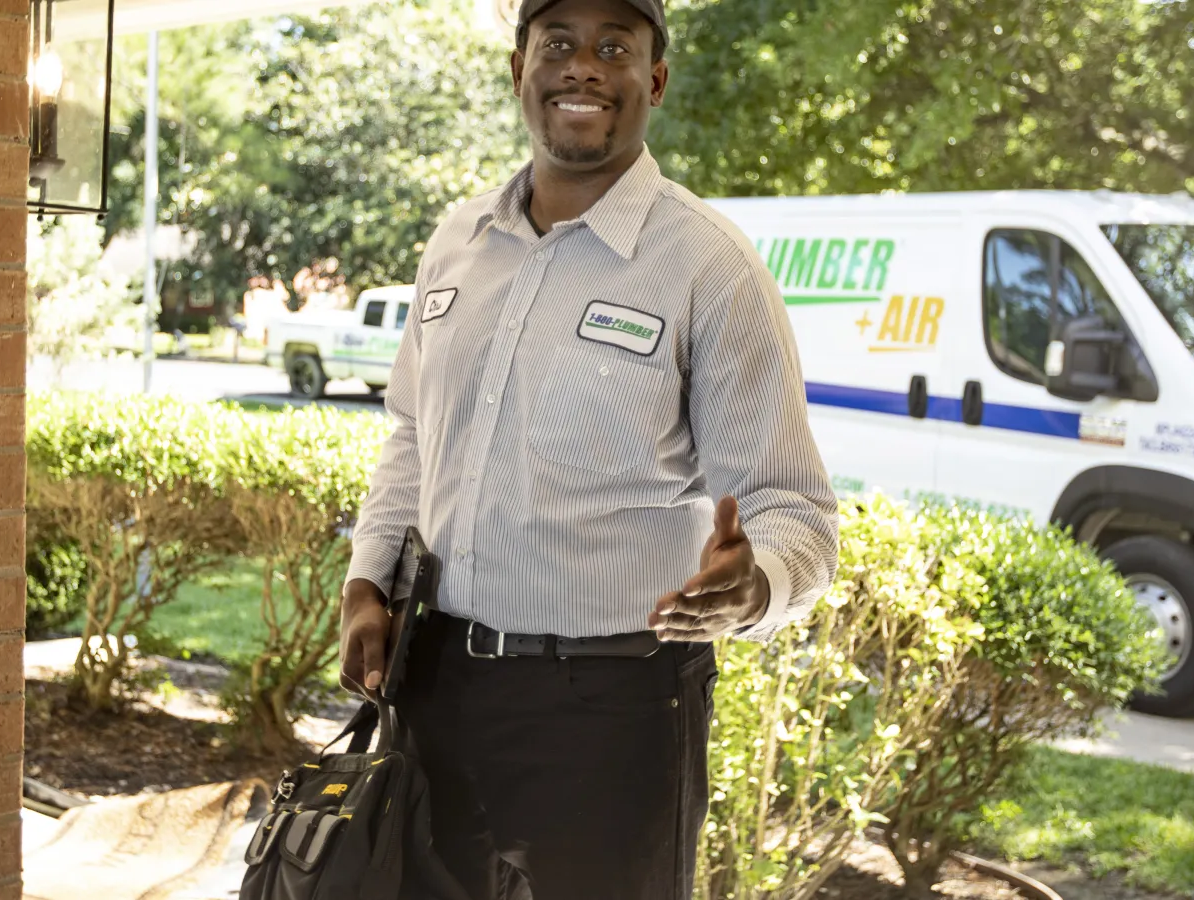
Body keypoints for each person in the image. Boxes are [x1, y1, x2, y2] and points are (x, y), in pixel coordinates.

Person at [336, 0, 839, 897]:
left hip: (615, 708)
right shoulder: (458, 240)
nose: (583, 67)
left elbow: (792, 507)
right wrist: (369, 581)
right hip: (436, 683)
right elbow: (413, 432)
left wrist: (754, 582)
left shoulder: (707, 264)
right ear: (517, 68)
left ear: (654, 80)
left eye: (614, 47)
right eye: (558, 43)